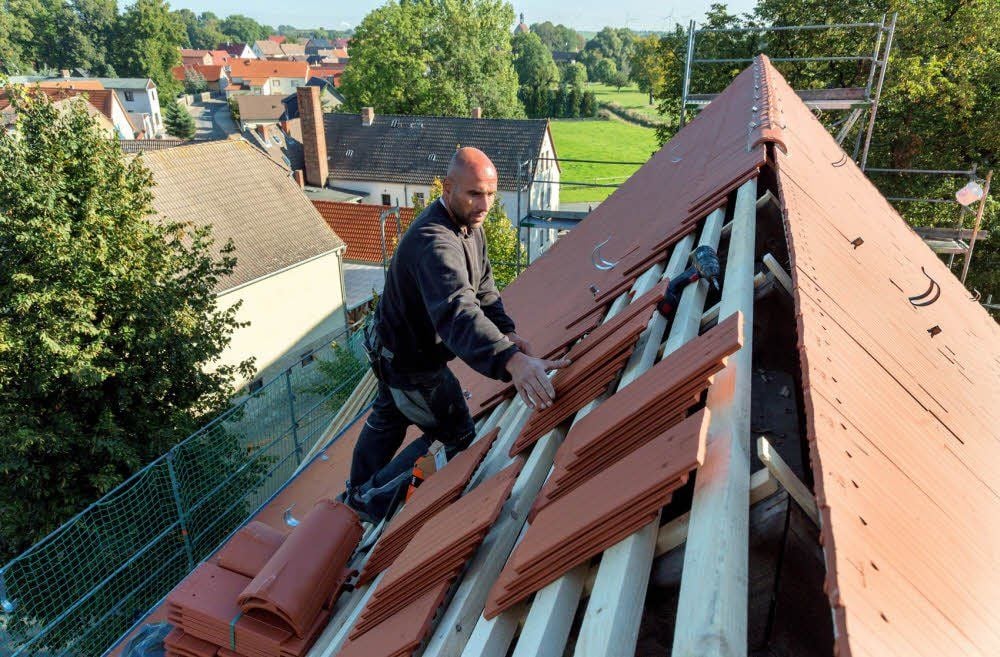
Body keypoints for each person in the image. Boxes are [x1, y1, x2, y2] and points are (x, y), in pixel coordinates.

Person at [342, 147, 569, 522]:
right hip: (412, 365)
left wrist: (507, 333)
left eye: (491, 194)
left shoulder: (468, 226)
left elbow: (483, 290)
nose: (485, 204)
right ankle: (367, 504)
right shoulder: (435, 242)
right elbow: (458, 312)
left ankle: (350, 498)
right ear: (448, 188)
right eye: (474, 193)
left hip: (397, 354)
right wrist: (510, 361)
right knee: (458, 438)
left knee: (388, 418)